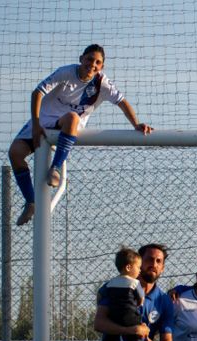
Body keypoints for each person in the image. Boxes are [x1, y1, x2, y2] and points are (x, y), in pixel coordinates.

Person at [8, 44, 153, 226]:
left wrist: (136, 124)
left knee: (73, 117)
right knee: (15, 153)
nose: (92, 64)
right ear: (81, 59)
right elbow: (37, 93)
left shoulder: (102, 83)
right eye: (89, 59)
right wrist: (36, 124)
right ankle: (31, 202)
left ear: (102, 66)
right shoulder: (65, 73)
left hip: (66, 124)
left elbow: (122, 102)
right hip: (43, 122)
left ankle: (56, 168)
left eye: (98, 62)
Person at [98, 248, 145, 341]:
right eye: (138, 267)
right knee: (138, 335)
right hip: (129, 316)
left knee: (110, 337)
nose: (140, 271)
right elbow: (141, 298)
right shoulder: (134, 283)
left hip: (113, 316)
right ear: (129, 267)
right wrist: (138, 303)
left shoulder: (110, 283)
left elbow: (100, 294)